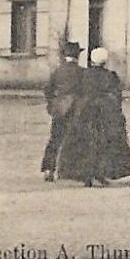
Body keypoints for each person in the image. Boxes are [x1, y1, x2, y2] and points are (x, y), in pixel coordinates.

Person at [56, 48, 130, 187]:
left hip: (84, 113)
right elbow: (116, 95)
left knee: (84, 143)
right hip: (104, 114)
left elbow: (77, 92)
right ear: (104, 62)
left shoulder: (84, 75)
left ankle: (86, 175)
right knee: (103, 144)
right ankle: (101, 173)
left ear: (92, 60)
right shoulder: (110, 76)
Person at [42, 41, 84, 179]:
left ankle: (49, 169)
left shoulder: (57, 71)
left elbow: (48, 89)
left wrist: (52, 103)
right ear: (77, 56)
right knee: (77, 139)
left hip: (60, 109)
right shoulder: (81, 72)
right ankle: (74, 171)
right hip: (76, 109)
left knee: (55, 139)